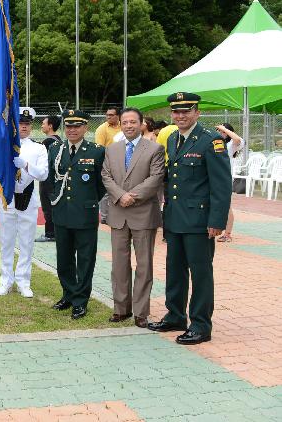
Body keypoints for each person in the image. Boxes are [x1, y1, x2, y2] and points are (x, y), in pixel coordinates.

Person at [148, 93, 231, 345]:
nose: (180, 116)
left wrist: (217, 221)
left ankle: (201, 325)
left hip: (199, 220)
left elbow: (221, 185)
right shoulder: (173, 138)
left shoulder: (211, 141)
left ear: (197, 112)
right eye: (176, 112)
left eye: (186, 111)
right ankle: (175, 315)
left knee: (201, 273)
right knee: (175, 270)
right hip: (175, 218)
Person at [101, 107, 165, 328]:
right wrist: (121, 196)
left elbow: (156, 178)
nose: (128, 126)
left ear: (141, 124)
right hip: (118, 213)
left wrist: (132, 197)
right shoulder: (112, 149)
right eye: (125, 122)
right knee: (119, 265)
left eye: (133, 122)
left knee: (144, 265)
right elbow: (106, 176)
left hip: (144, 214)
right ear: (120, 124)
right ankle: (121, 309)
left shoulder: (155, 149)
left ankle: (141, 312)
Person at [48, 109, 106, 320]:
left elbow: (102, 185)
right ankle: (68, 294)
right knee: (64, 259)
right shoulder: (55, 149)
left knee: (85, 260)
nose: (72, 130)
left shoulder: (97, 151)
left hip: (85, 214)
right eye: (68, 126)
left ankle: (81, 301)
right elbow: (50, 180)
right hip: (62, 212)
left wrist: (88, 201)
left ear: (85, 128)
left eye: (76, 126)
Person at [0, 107, 48, 298]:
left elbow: (43, 174)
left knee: (26, 242)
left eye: (26, 124)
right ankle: (5, 280)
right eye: (20, 123)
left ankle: (23, 282)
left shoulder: (38, 148)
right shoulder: (5, 146)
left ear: (31, 126)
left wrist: (26, 164)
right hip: (7, 198)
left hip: (28, 197)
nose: (23, 127)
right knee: (6, 242)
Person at [36, 114, 61, 242]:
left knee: (47, 207)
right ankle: (56, 232)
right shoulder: (58, 140)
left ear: (50, 126)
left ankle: (50, 233)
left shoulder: (48, 142)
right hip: (56, 179)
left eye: (43, 123)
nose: (42, 125)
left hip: (47, 179)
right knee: (54, 206)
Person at [216, 122, 242, 243]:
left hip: (224, 178)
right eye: (219, 131)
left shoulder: (231, 144)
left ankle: (227, 233)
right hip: (213, 177)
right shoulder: (216, 143)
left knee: (226, 206)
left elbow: (237, 138)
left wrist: (224, 129)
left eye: (223, 132)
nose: (221, 133)